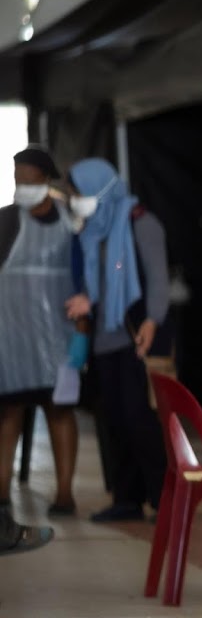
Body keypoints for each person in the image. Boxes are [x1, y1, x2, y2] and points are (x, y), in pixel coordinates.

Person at [65, 158, 171, 523]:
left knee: (139, 419)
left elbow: (158, 278)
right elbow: (100, 284)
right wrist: (87, 300)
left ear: (101, 188)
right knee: (113, 421)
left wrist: (154, 320)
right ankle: (126, 498)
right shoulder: (93, 230)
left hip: (136, 335)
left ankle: (163, 500)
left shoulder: (141, 222)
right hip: (105, 339)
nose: (76, 200)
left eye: (80, 193)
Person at [0, 146, 82, 517]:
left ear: (46, 180)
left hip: (58, 338)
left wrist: (83, 328)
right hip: (11, 337)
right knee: (8, 411)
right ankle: (1, 491)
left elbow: (87, 274)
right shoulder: (4, 221)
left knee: (60, 410)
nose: (22, 189)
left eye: (29, 182)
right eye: (17, 182)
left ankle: (64, 493)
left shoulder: (72, 220)